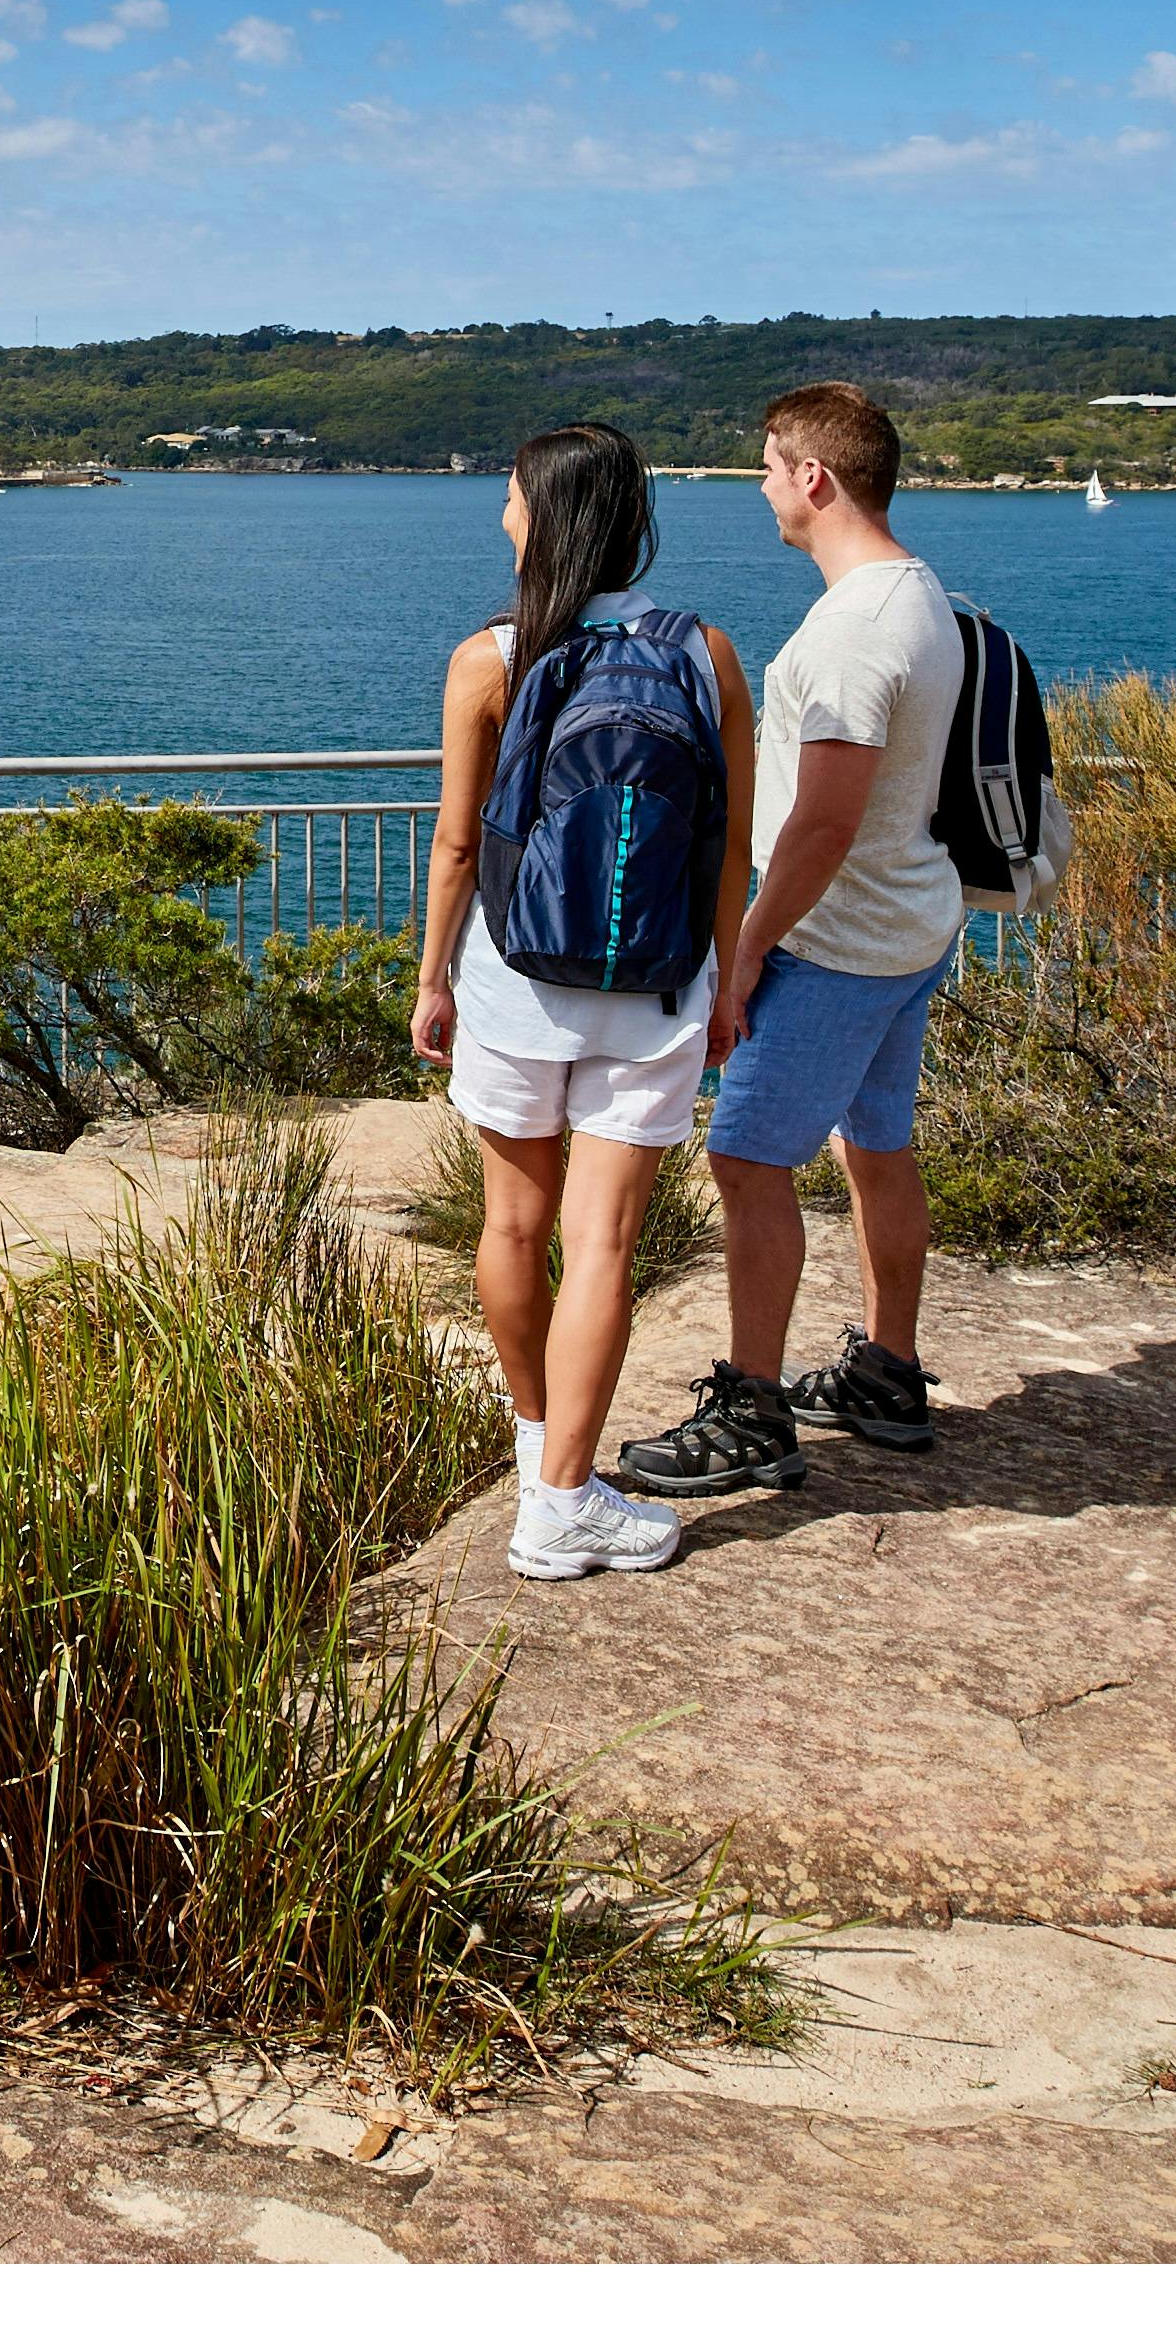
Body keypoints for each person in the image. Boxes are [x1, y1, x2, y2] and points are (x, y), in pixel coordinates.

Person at [411, 426, 757, 1580]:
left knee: (513, 1226)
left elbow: (460, 843)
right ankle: (562, 1492)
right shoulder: (703, 652)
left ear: (542, 515)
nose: (501, 512)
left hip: (513, 978)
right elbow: (727, 848)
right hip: (655, 982)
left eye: (509, 495)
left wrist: (431, 982)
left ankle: (538, 1452)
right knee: (600, 1238)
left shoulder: (490, 658)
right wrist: (726, 978)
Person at [615, 384, 956, 1499]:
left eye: (769, 465)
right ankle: (887, 1373)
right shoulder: (922, 595)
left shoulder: (857, 629)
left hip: (836, 942)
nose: (763, 485)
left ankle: (752, 1410)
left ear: (815, 476)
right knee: (877, 1145)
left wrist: (752, 941)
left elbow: (822, 818)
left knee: (748, 1160)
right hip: (908, 925)